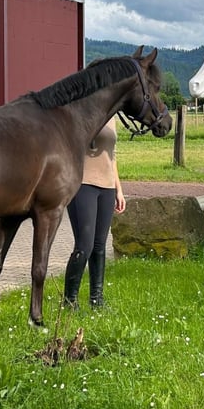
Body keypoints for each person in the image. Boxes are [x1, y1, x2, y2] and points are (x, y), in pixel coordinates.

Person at [63, 116, 125, 308]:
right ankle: (69, 300)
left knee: (99, 246)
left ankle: (96, 299)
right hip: (82, 184)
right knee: (85, 245)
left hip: (107, 187)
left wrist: (118, 190)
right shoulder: (82, 110)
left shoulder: (112, 116)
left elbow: (111, 156)